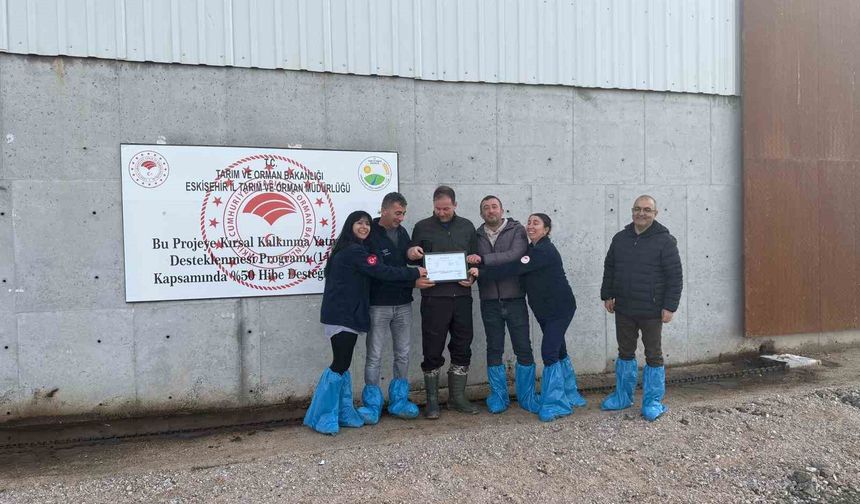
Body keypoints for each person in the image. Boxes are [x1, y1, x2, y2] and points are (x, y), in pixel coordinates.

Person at [303, 210, 424, 435]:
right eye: (359, 223)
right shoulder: (354, 252)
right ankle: (323, 415)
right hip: (342, 315)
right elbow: (380, 271)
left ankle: (342, 411)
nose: (364, 227)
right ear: (350, 225)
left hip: (345, 315)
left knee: (343, 364)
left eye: (367, 224)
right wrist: (414, 274)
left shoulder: (354, 250)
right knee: (339, 364)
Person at [470, 213, 587, 422]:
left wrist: (482, 272)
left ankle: (556, 403)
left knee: (549, 351)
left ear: (547, 229)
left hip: (559, 309)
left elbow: (515, 268)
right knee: (559, 349)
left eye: (536, 223)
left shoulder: (544, 250)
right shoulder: (532, 249)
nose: (531, 226)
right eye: (529, 222)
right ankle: (570, 392)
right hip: (543, 310)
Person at [599, 195, 683, 422]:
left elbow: (675, 276)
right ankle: (622, 396)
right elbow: (610, 267)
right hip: (624, 307)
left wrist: (669, 306)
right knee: (625, 352)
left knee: (653, 354)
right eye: (637, 209)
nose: (641, 213)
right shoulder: (620, 238)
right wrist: (607, 294)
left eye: (647, 210)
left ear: (655, 213)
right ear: (632, 211)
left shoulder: (665, 241)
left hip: (652, 310)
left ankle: (652, 401)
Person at [357, 193, 435, 424]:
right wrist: (413, 278)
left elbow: (403, 259)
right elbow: (378, 271)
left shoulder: (401, 232)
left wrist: (411, 252)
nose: (401, 218)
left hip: (403, 304)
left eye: (403, 213)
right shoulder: (368, 234)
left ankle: (399, 400)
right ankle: (372, 403)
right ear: (384, 210)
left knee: (402, 353)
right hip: (378, 305)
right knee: (374, 355)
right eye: (397, 213)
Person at [407, 185, 479, 419]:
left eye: (446, 208)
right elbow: (410, 257)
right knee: (432, 348)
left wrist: (472, 276)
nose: (442, 212)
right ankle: (432, 402)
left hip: (462, 298)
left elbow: (475, 260)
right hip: (433, 298)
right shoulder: (422, 226)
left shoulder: (467, 226)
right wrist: (413, 254)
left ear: (455, 205)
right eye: (438, 209)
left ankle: (457, 398)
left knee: (462, 345)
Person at [466, 196, 539, 414]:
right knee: (494, 348)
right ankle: (498, 396)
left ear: (502, 209)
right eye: (486, 208)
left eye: (494, 207)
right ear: (481, 214)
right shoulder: (476, 235)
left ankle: (527, 396)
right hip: (489, 300)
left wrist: (484, 261)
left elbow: (515, 255)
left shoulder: (517, 230)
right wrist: (470, 275)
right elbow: (469, 260)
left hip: (515, 297)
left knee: (523, 347)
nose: (491, 211)